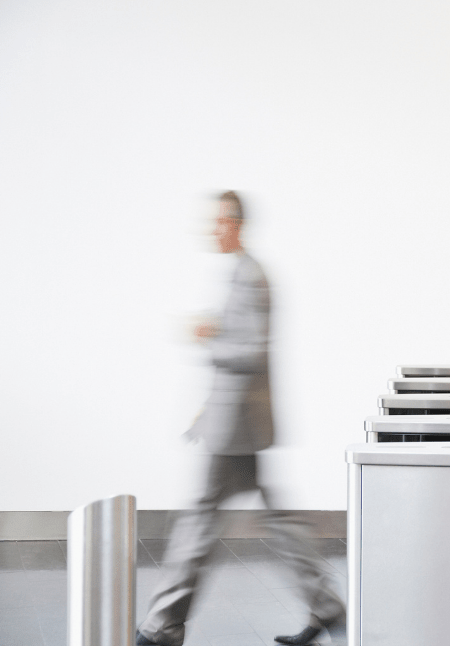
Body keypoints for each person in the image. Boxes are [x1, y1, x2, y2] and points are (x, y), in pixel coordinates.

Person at [137, 191, 345, 646]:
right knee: (281, 520)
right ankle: (327, 605)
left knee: (198, 521)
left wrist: (205, 337)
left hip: (238, 428)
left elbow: (250, 350)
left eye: (217, 222)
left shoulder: (250, 276)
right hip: (236, 423)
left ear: (235, 224)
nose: (211, 230)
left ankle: (164, 625)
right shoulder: (240, 274)